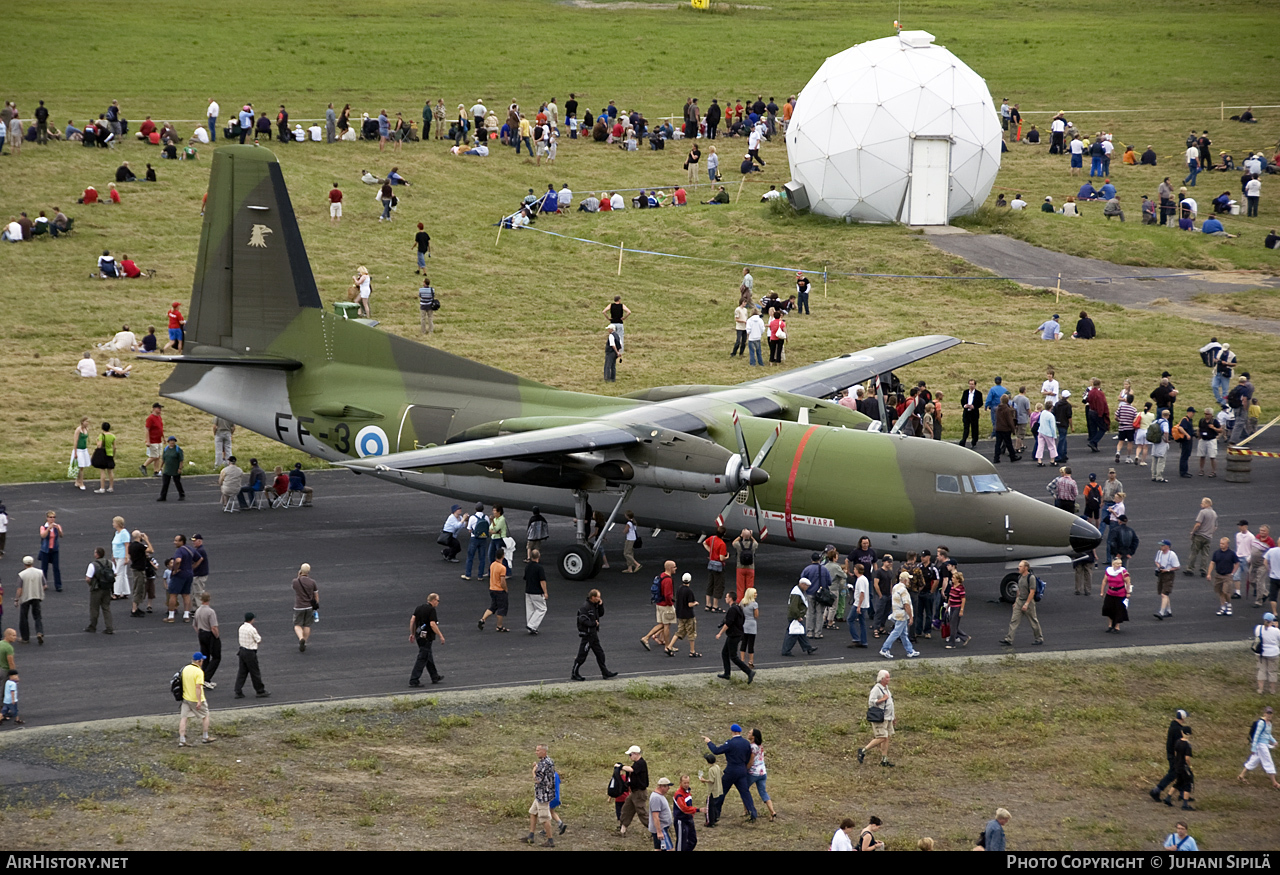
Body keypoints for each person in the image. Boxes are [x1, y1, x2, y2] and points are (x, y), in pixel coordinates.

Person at [703, 725, 757, 821]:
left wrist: (709, 742)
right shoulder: (746, 743)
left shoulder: (730, 743)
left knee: (722, 791)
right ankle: (752, 813)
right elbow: (748, 756)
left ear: (732, 731)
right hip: (742, 770)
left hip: (731, 770)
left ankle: (715, 813)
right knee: (745, 793)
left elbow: (716, 751)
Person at [572, 589, 617, 681]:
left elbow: (600, 614)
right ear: (593, 597)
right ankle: (574, 673)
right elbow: (582, 620)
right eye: (598, 597)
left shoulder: (594, 606)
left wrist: (601, 605)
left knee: (600, 654)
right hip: (588, 635)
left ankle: (605, 672)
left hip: (593, 635)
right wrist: (594, 624)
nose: (599, 599)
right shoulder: (585, 607)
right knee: (582, 655)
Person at [522, 744, 558, 848]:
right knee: (533, 812)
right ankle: (531, 835)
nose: (536, 752)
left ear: (544, 751)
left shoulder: (543, 764)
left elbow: (538, 780)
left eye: (538, 750)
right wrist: (537, 767)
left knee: (545, 818)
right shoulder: (548, 761)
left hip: (543, 796)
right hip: (543, 794)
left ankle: (550, 840)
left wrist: (533, 772)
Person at [1000, 560, 1044, 646]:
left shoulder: (1031, 578)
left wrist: (1026, 604)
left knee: (1033, 621)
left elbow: (1032, 592)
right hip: (1020, 601)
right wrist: (1016, 602)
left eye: (1020, 566)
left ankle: (1039, 638)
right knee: (1014, 620)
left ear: (1026, 568)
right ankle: (1009, 639)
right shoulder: (1020, 577)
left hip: (1029, 602)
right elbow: (1018, 590)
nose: (1018, 568)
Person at [859, 670, 897, 767]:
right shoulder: (876, 689)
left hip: (888, 717)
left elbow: (890, 703)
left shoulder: (886, 688)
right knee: (882, 737)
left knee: (886, 737)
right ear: (882, 679)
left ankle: (884, 759)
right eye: (887, 677)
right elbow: (871, 702)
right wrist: (882, 699)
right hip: (880, 717)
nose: (889, 679)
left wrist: (893, 717)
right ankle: (863, 750)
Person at [1238, 705, 1280, 788]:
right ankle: (1274, 783)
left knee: (1254, 760)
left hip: (1264, 744)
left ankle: (1241, 776)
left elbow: (1268, 734)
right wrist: (1253, 747)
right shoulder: (1261, 723)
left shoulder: (1269, 724)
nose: (1269, 715)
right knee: (1268, 761)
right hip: (1260, 745)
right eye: (1268, 713)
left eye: (1270, 713)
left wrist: (1274, 741)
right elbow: (1256, 735)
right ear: (1264, 713)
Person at [409, 592, 445, 686]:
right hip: (427, 637)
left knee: (428, 655)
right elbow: (432, 624)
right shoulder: (431, 610)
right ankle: (414, 680)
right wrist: (441, 636)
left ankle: (434, 676)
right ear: (433, 600)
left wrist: (412, 633)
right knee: (422, 657)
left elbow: (412, 620)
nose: (438, 602)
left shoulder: (419, 608)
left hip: (419, 635)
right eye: (438, 600)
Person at [178, 653, 214, 746]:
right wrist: (198, 701)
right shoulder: (199, 672)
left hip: (186, 697)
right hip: (196, 699)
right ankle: (205, 736)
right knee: (205, 715)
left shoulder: (185, 668)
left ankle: (182, 739)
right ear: (199, 661)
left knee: (184, 717)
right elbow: (198, 687)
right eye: (202, 660)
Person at [880, 571, 917, 658]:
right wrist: (911, 617)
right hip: (902, 615)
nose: (909, 581)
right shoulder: (903, 590)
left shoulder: (895, 587)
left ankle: (910, 650)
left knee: (903, 633)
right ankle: (884, 649)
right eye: (908, 579)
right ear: (905, 580)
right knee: (896, 632)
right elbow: (906, 604)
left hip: (896, 612)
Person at [234, 613, 269, 699]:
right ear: (252, 619)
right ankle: (260, 690)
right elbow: (258, 640)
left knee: (242, 672)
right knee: (255, 672)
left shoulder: (241, 627)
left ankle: (238, 690)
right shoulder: (252, 629)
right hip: (250, 652)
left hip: (242, 651)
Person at [616, 744, 649, 835]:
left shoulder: (641, 763)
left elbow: (631, 769)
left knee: (642, 813)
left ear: (635, 754)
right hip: (634, 792)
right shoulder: (637, 763)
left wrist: (620, 767)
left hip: (639, 793)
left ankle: (656, 830)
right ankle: (622, 830)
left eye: (630, 755)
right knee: (626, 809)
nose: (629, 757)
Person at [83, 547, 115, 634]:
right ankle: (109, 627)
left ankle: (93, 626)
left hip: (96, 589)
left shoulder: (93, 565)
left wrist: (91, 584)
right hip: (107, 589)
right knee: (106, 608)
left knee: (94, 608)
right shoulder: (110, 563)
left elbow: (88, 578)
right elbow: (114, 574)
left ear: (97, 554)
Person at [17, 556, 45, 645]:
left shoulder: (22, 574)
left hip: (25, 598)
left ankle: (25, 638)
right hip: (36, 596)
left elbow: (19, 589)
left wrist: (16, 599)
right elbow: (45, 585)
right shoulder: (39, 572)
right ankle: (39, 632)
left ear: (24, 564)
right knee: (37, 616)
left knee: (24, 617)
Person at [1101, 556, 1132, 632]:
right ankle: (1110, 624)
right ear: (1113, 564)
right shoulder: (1109, 571)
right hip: (1110, 592)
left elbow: (1128, 583)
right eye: (1117, 563)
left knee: (1118, 610)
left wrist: (1128, 593)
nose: (1119, 565)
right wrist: (1102, 591)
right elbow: (1104, 581)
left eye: (1120, 563)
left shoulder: (1123, 572)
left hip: (1120, 593)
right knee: (1108, 608)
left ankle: (1117, 626)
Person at [292, 563, 318, 651]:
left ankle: (301, 638)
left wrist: (298, 576)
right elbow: (316, 595)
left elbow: (295, 588)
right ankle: (305, 642)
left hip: (299, 606)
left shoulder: (295, 581)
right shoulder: (312, 582)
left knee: (297, 625)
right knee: (307, 625)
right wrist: (316, 605)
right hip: (309, 607)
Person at [1253, 614, 1280, 696]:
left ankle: (1260, 689)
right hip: (1273, 653)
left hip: (1261, 653)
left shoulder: (1258, 628)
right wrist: (1276, 627)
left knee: (1261, 670)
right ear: (1272, 621)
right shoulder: (1276, 631)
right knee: (1272, 671)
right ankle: (1272, 690)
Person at [1154, 540, 1181, 619]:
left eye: (1163, 545)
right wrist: (1159, 566)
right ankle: (1169, 611)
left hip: (1168, 575)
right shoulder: (1159, 552)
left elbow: (1177, 567)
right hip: (1161, 574)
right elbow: (1156, 561)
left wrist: (1168, 570)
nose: (1161, 547)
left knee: (1164, 594)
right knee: (1164, 592)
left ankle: (1161, 612)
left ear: (1167, 546)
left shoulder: (1172, 555)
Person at [38, 510, 64, 593]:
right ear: (47, 518)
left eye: (53, 517)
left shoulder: (57, 526)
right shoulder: (43, 527)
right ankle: (43, 584)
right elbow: (43, 535)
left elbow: (61, 535)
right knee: (44, 568)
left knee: (56, 568)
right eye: (50, 517)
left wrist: (58, 529)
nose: (52, 519)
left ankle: (58, 585)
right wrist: (49, 528)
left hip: (54, 550)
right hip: (45, 550)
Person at [647, 777, 675, 850]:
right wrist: (659, 832)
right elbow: (655, 816)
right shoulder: (656, 798)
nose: (669, 788)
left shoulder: (659, 796)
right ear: (662, 786)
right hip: (661, 829)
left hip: (662, 828)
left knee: (659, 849)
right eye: (667, 786)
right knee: (669, 849)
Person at [157, 436, 185, 501]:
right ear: (168, 442)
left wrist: (180, 468)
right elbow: (163, 459)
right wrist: (160, 467)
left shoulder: (178, 449)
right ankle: (163, 496)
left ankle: (181, 494)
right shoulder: (166, 449)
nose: (172, 442)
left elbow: (181, 460)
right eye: (171, 441)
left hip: (175, 469)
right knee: (165, 483)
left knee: (177, 482)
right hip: (167, 469)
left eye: (173, 441)